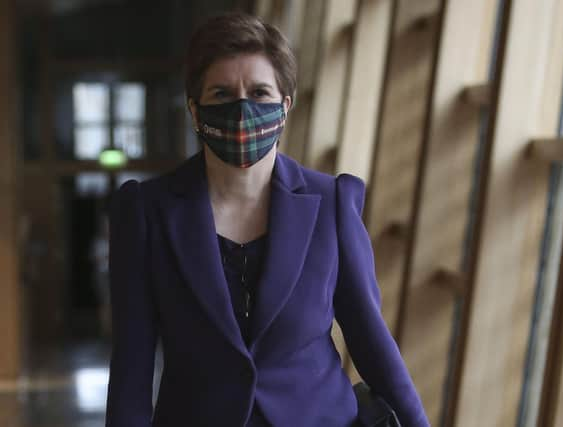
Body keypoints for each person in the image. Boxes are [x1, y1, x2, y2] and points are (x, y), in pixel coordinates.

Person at [105, 12, 430, 427]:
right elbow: (132, 365)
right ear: (195, 110)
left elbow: (371, 342)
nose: (242, 109)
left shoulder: (330, 203)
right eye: (222, 94)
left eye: (259, 93)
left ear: (285, 106)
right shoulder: (146, 213)